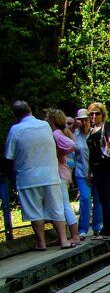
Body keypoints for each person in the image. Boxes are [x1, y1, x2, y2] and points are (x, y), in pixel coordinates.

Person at [4, 101, 71, 251]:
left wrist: (12, 177)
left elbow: (8, 156)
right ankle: (64, 240)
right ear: (30, 110)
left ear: (16, 115)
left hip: (28, 177)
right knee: (56, 208)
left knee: (34, 211)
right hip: (51, 175)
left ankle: (41, 243)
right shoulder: (45, 126)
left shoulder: (15, 130)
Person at [86, 101, 110, 238]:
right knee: (101, 198)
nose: (94, 116)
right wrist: (89, 172)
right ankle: (109, 229)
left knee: (105, 198)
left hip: (105, 166)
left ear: (102, 114)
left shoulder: (106, 127)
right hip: (95, 168)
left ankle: (108, 229)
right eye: (91, 114)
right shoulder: (91, 130)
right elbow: (90, 153)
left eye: (97, 113)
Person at [48, 109, 81, 246]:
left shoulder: (56, 133)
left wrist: (59, 155)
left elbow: (72, 145)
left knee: (64, 205)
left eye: (47, 117)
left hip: (60, 173)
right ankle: (64, 235)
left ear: (52, 120)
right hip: (62, 173)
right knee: (60, 205)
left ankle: (74, 235)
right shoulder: (62, 133)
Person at [72, 108, 100, 238]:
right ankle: (82, 229)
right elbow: (71, 155)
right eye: (81, 120)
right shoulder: (73, 135)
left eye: (85, 120)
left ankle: (97, 226)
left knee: (98, 200)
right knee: (85, 198)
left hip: (97, 172)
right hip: (81, 172)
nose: (84, 123)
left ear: (90, 120)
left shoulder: (96, 132)